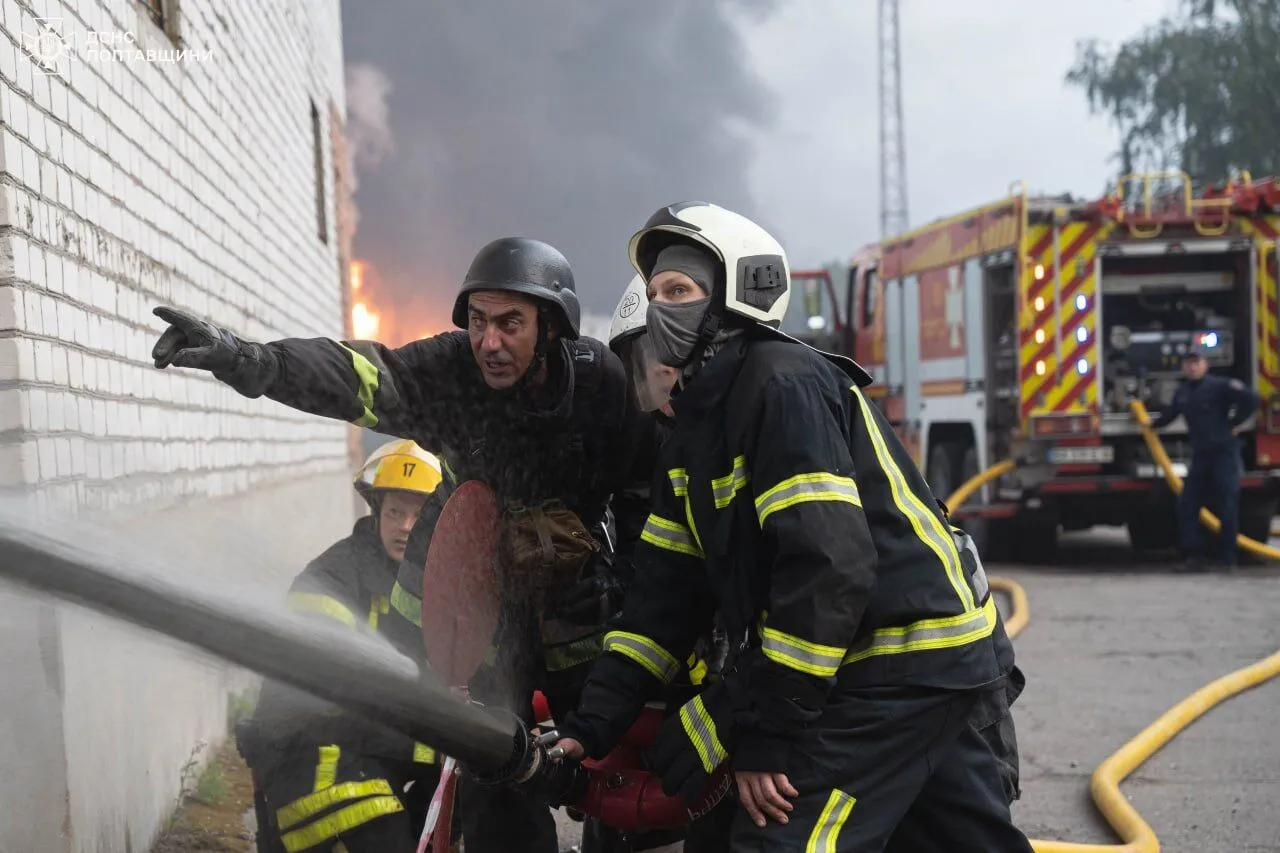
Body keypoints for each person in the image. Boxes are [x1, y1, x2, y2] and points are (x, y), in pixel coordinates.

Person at [550, 202, 1033, 852]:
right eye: (656, 293)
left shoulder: (781, 387)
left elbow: (828, 573)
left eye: (679, 291)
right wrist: (594, 722)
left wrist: (763, 734)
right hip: (924, 659)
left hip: (891, 661)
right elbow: (664, 597)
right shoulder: (695, 433)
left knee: (780, 839)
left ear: (736, 299)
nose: (662, 312)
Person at [152, 237, 645, 853]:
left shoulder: (599, 383)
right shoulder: (450, 373)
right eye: (477, 321)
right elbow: (361, 374)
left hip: (578, 606)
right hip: (481, 610)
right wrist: (249, 361)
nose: (488, 342)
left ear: (553, 327)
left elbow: (642, 486)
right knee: (496, 781)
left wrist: (631, 580)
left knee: (613, 771)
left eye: (510, 324)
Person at [237, 440, 449, 853]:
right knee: (381, 834)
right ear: (375, 513)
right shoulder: (334, 578)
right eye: (394, 512)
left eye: (418, 515)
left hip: (367, 750)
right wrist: (427, 747)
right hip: (312, 756)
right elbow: (332, 704)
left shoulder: (431, 582)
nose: (406, 526)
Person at [1149, 347, 1261, 570]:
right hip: (1201, 456)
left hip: (1224, 454)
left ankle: (1228, 559)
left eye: (1196, 362)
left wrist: (1235, 423)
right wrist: (1149, 425)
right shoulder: (1183, 392)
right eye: (1188, 363)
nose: (1192, 367)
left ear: (1205, 365)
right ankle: (1194, 557)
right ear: (1183, 367)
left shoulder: (1220, 386)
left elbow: (1252, 399)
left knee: (1226, 505)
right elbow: (1172, 413)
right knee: (1187, 505)